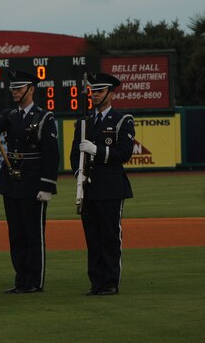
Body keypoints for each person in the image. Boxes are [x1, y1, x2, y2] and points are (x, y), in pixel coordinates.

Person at [0, 70, 59, 294]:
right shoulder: (11, 115)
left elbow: (52, 155)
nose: (14, 91)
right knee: (16, 233)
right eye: (13, 88)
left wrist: (47, 186)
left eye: (19, 88)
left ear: (31, 89)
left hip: (33, 181)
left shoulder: (44, 118)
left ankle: (34, 280)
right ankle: (21, 278)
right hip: (12, 181)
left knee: (33, 233)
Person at [69, 72, 134, 296]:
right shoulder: (84, 123)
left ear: (110, 92)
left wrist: (98, 151)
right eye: (92, 91)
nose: (94, 95)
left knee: (109, 236)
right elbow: (73, 154)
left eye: (99, 91)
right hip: (89, 188)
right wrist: (79, 173)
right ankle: (96, 282)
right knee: (92, 238)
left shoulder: (122, 120)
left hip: (111, 186)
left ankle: (110, 282)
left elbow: (125, 153)